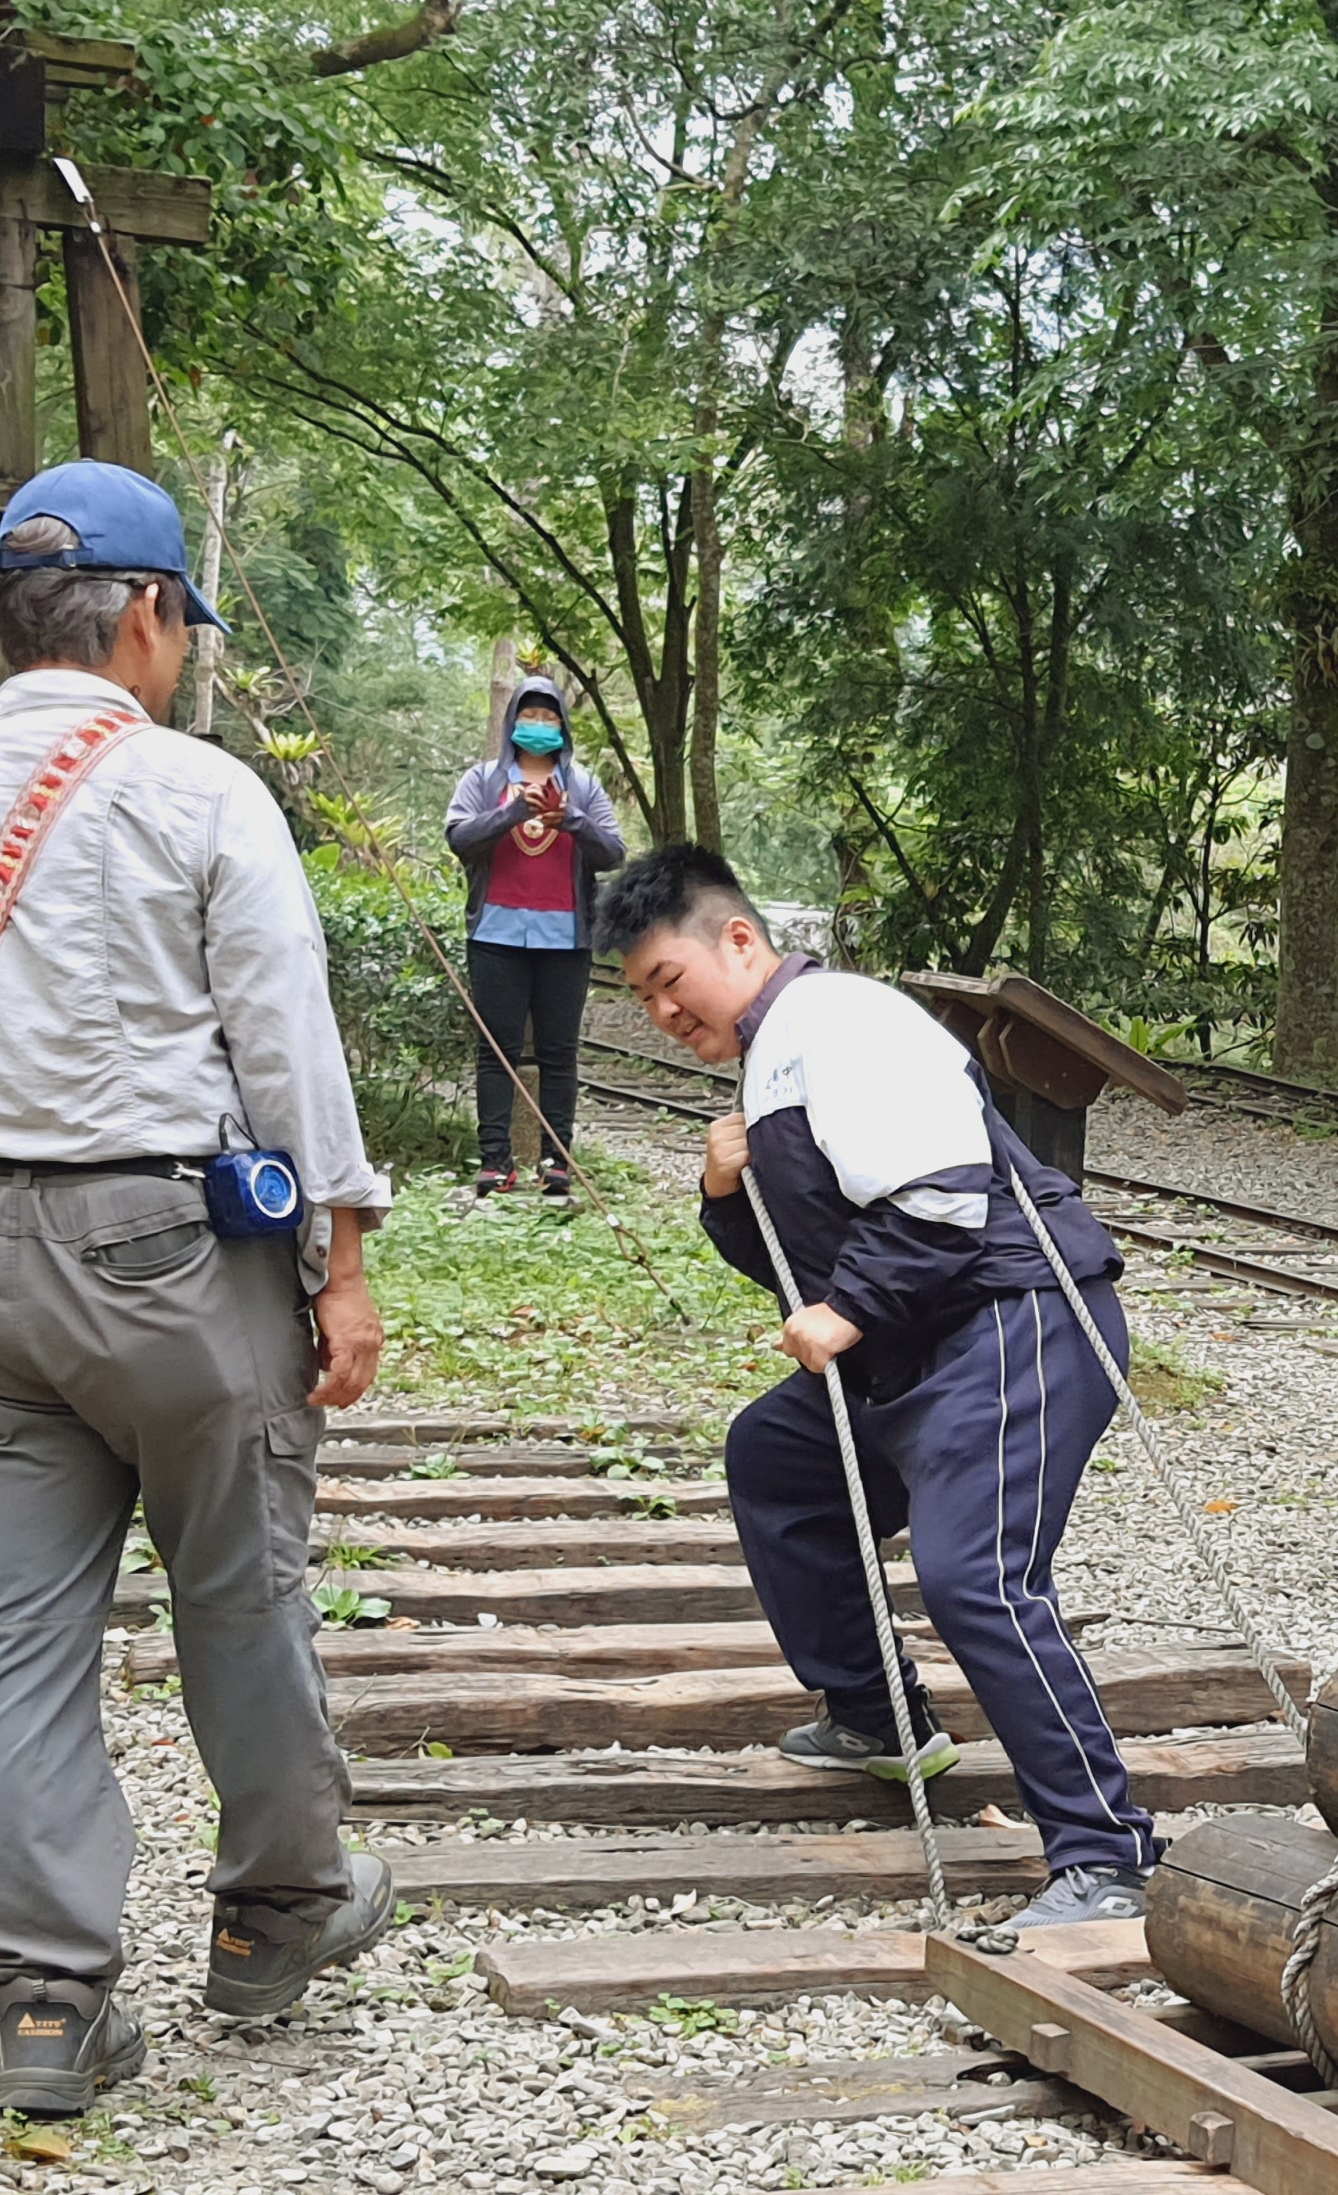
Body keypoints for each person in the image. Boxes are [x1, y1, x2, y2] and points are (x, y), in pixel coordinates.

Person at [0, 463, 396, 2116]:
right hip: (173, 1254)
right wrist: (344, 1257)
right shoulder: (200, 794)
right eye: (179, 625)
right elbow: (284, 1042)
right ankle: (276, 1910)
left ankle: (49, 1999)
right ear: (147, 613)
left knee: (17, 1632)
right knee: (239, 1586)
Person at [596, 843, 1167, 1931]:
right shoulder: (773, 1058)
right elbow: (797, 1255)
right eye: (645, 1000)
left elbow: (945, 1197)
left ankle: (1106, 1857)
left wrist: (847, 1312)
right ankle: (878, 1716)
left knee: (976, 1580)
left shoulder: (839, 1022)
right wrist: (727, 1194)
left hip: (1016, 1321)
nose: (665, 1013)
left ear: (739, 940)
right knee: (779, 1459)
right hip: (921, 1341)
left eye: (671, 983)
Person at [446, 676, 627, 1196]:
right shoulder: (482, 779)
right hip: (496, 932)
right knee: (495, 1051)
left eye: (551, 717)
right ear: (512, 723)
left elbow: (613, 851)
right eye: (531, 716)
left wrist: (570, 820)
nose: (540, 726)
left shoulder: (585, 786)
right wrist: (512, 812)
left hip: (565, 937)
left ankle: (557, 1162)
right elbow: (459, 837)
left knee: (559, 1052)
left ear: (564, 727)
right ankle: (495, 1161)